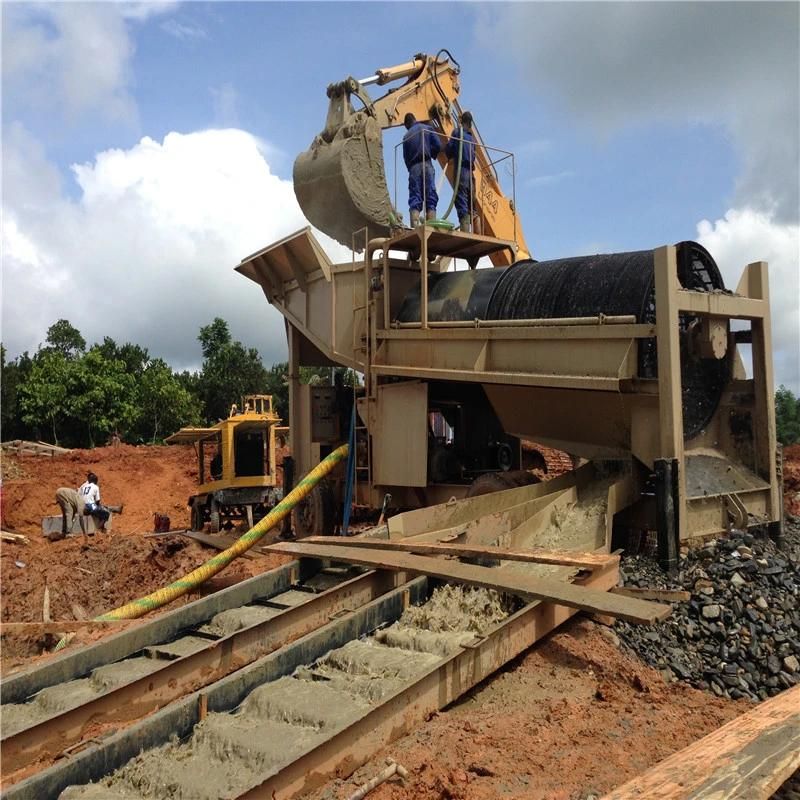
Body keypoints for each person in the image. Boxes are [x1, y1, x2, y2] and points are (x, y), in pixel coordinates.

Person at [402, 112, 441, 227]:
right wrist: (432, 153)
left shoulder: (406, 137)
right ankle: (431, 226)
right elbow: (438, 145)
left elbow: (405, 157)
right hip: (427, 164)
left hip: (414, 168)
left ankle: (415, 227)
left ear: (407, 125)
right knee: (431, 196)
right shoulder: (427, 128)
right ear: (415, 119)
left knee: (415, 197)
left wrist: (411, 168)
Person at [445, 111, 477, 232]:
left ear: (461, 121)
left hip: (461, 171)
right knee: (471, 202)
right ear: (470, 124)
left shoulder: (457, 133)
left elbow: (449, 149)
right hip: (471, 174)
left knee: (461, 199)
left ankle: (465, 230)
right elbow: (473, 156)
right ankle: (473, 229)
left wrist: (445, 152)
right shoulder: (472, 139)